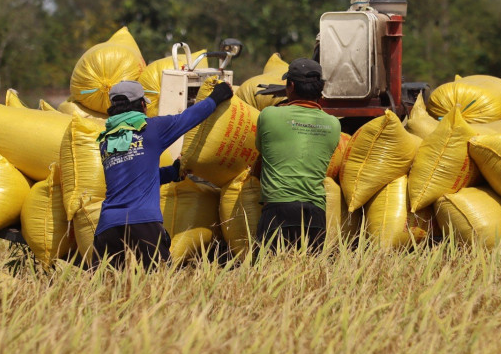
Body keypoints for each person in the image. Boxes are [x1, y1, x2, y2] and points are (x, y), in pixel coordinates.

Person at [93, 77, 234, 268]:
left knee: (104, 290)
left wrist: (172, 172)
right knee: (160, 285)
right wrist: (218, 96)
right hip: (143, 222)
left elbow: (136, 177)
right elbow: (188, 118)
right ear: (142, 104)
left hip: (107, 226)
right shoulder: (151, 129)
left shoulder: (106, 141)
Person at [253, 58, 341, 251]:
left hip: (278, 210)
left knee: (267, 276)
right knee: (309, 277)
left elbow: (262, 155)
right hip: (315, 213)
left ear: (290, 86)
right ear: (321, 88)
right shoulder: (334, 124)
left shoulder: (269, 115)